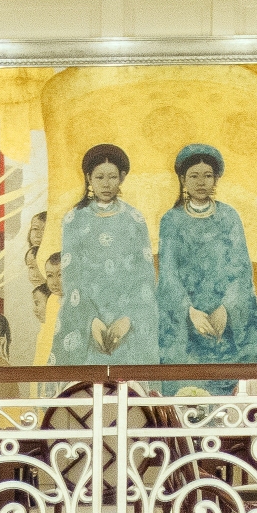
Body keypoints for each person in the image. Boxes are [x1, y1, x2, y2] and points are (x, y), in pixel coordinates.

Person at [152, 141, 257, 378]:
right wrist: (189, 311)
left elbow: (241, 269)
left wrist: (226, 308)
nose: (201, 182)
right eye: (194, 176)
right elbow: (169, 274)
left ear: (215, 179)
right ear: (183, 179)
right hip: (187, 318)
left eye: (207, 176)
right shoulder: (171, 221)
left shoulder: (229, 217)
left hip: (226, 321)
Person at [51, 141, 163, 364]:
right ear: (89, 178)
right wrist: (91, 320)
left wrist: (127, 320)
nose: (106, 184)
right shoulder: (74, 218)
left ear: (121, 177)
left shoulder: (134, 218)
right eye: (99, 177)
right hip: (84, 316)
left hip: (127, 319)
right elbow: (72, 278)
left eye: (112, 177)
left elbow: (144, 279)